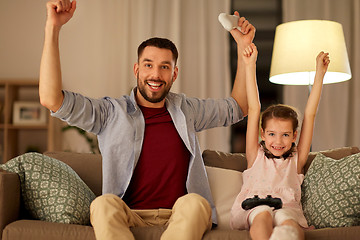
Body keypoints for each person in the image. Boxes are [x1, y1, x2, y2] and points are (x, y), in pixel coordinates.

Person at [39, 1, 255, 240]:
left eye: (164, 67)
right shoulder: (110, 112)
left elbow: (238, 107)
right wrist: (53, 27)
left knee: (196, 203)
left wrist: (242, 46)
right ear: (137, 70)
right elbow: (51, 99)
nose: (155, 74)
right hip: (129, 214)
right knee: (102, 205)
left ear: (174, 74)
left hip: (180, 214)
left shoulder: (187, 109)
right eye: (148, 65)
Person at [230, 43, 329, 240]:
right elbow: (254, 107)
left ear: (294, 136)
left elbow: (310, 115)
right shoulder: (254, 155)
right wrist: (250, 65)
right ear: (262, 134)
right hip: (255, 207)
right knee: (263, 214)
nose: (278, 141)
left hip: (287, 208)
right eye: (272, 134)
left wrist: (320, 74)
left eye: (285, 135)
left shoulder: (296, 159)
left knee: (288, 221)